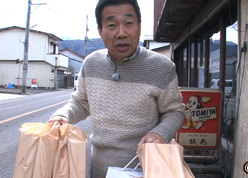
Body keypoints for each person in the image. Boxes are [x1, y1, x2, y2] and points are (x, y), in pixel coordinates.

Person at [48, 0, 185, 177]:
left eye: (128, 23)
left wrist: (159, 133)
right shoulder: (91, 63)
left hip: (145, 170)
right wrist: (63, 115)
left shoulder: (162, 68)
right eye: (112, 25)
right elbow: (81, 103)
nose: (121, 33)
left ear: (139, 27)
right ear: (100, 31)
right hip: (97, 169)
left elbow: (175, 111)